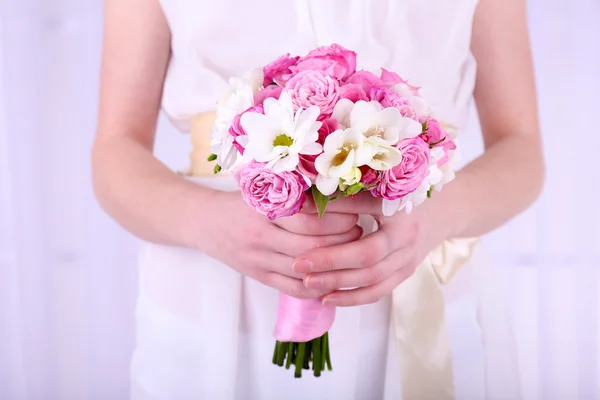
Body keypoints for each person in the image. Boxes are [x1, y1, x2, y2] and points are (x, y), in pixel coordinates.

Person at [92, 0, 544, 398]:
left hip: (414, 278)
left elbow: (522, 150)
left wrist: (437, 217)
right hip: (212, 293)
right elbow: (115, 151)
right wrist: (206, 221)